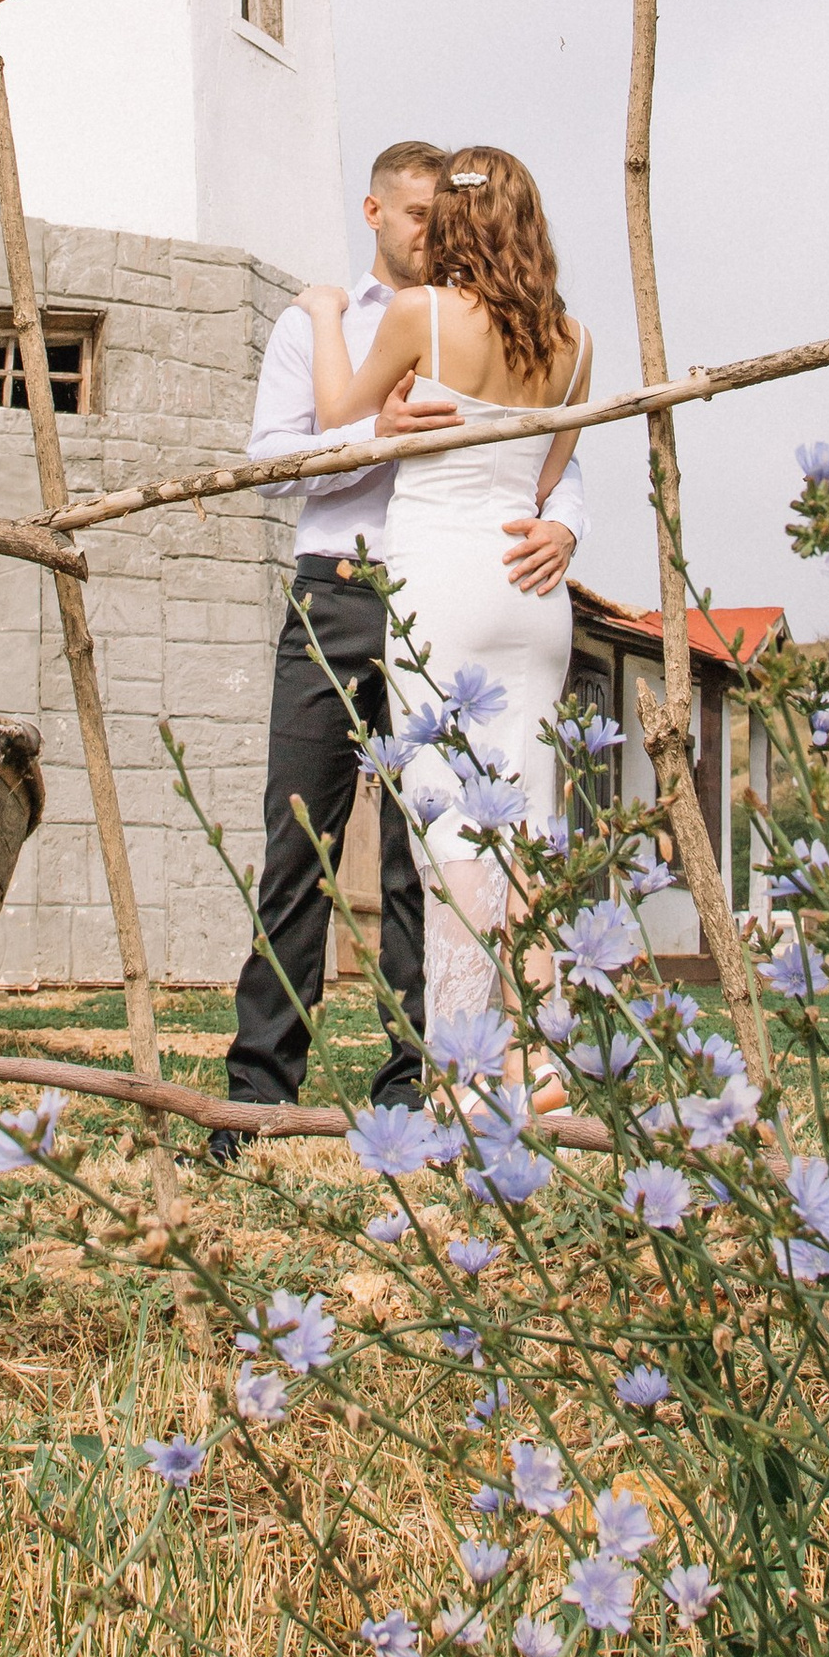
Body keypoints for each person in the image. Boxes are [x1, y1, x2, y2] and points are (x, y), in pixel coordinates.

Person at [212, 139, 584, 1156]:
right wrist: (377, 428)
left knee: (434, 846)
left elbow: (556, 476)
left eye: (441, 216)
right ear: (375, 212)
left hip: (446, 591)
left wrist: (568, 527)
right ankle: (262, 1089)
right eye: (411, 216)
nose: (427, 233)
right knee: (306, 839)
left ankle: (429, 1076)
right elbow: (275, 464)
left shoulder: (438, 320)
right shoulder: (317, 327)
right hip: (343, 594)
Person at [299, 147, 590, 1048]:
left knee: (452, 822)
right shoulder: (577, 343)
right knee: (530, 816)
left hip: (446, 587)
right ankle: (545, 1057)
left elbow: (341, 414)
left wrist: (322, 319)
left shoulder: (421, 314)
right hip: (531, 592)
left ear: (458, 223)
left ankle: (465, 1061)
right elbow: (547, 478)